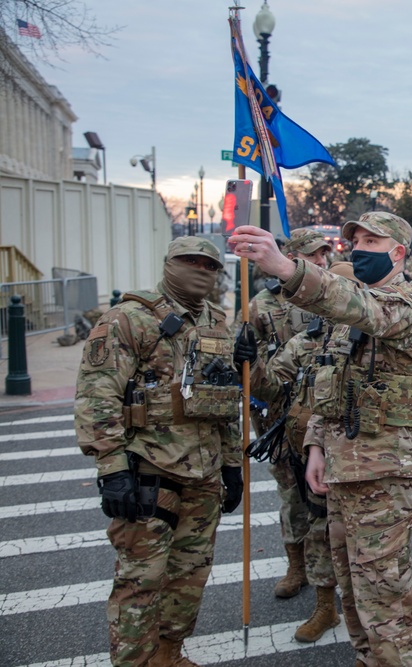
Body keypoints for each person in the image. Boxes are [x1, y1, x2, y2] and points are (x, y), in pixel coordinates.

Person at [231, 212, 412, 667]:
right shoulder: (351, 322)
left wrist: (287, 269)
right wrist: (315, 448)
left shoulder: (409, 307)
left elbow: (356, 305)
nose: (360, 248)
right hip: (343, 468)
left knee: (383, 595)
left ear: (399, 253)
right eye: (356, 240)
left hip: (383, 474)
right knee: (351, 589)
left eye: (372, 240)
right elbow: (331, 390)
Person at [75, 236, 249, 667]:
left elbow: (224, 402)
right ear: (168, 263)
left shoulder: (216, 322)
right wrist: (112, 467)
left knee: (189, 576)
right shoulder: (128, 319)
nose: (199, 270)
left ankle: (169, 654)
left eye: (208, 264)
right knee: (141, 581)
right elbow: (97, 397)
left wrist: (232, 465)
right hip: (149, 471)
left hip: (204, 473)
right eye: (189, 261)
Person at [248, 261, 360, 644]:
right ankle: (326, 608)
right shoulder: (308, 339)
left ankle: (369, 610)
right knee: (317, 530)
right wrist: (250, 365)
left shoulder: (373, 337)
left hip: (360, 457)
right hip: (311, 454)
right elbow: (273, 387)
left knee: (363, 536)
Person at [247, 227, 333, 600]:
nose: (321, 261)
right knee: (291, 495)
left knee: (325, 496)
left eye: (324, 254)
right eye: (313, 254)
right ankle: (296, 565)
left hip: (323, 411)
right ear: (292, 255)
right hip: (280, 412)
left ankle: (328, 571)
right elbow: (252, 366)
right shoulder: (262, 305)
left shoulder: (330, 294)